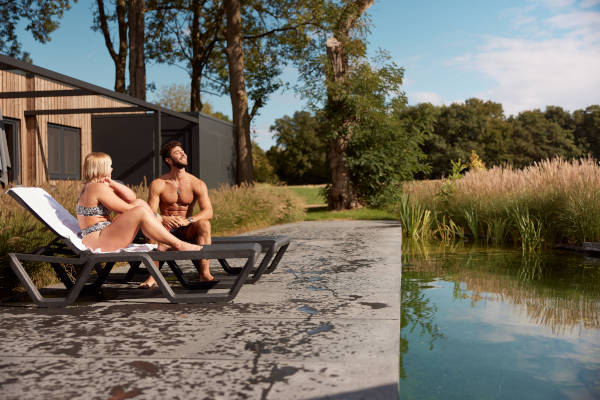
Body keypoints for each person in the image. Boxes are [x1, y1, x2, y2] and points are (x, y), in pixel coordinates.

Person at [76, 152, 203, 257]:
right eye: (109, 166)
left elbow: (132, 198)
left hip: (104, 234)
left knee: (139, 203)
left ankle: (164, 239)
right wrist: (158, 217)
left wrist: (112, 183)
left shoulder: (95, 186)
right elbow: (126, 209)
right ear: (101, 168)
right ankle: (177, 243)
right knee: (140, 210)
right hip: (99, 241)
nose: (112, 169)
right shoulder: (96, 188)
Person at [139, 140, 214, 288]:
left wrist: (190, 220)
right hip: (165, 228)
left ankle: (204, 273)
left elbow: (208, 211)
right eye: (177, 153)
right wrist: (164, 218)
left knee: (204, 223)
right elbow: (150, 213)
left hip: (186, 229)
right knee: (151, 226)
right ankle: (153, 276)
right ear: (168, 160)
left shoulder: (196, 183)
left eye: (183, 152)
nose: (183, 154)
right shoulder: (158, 183)